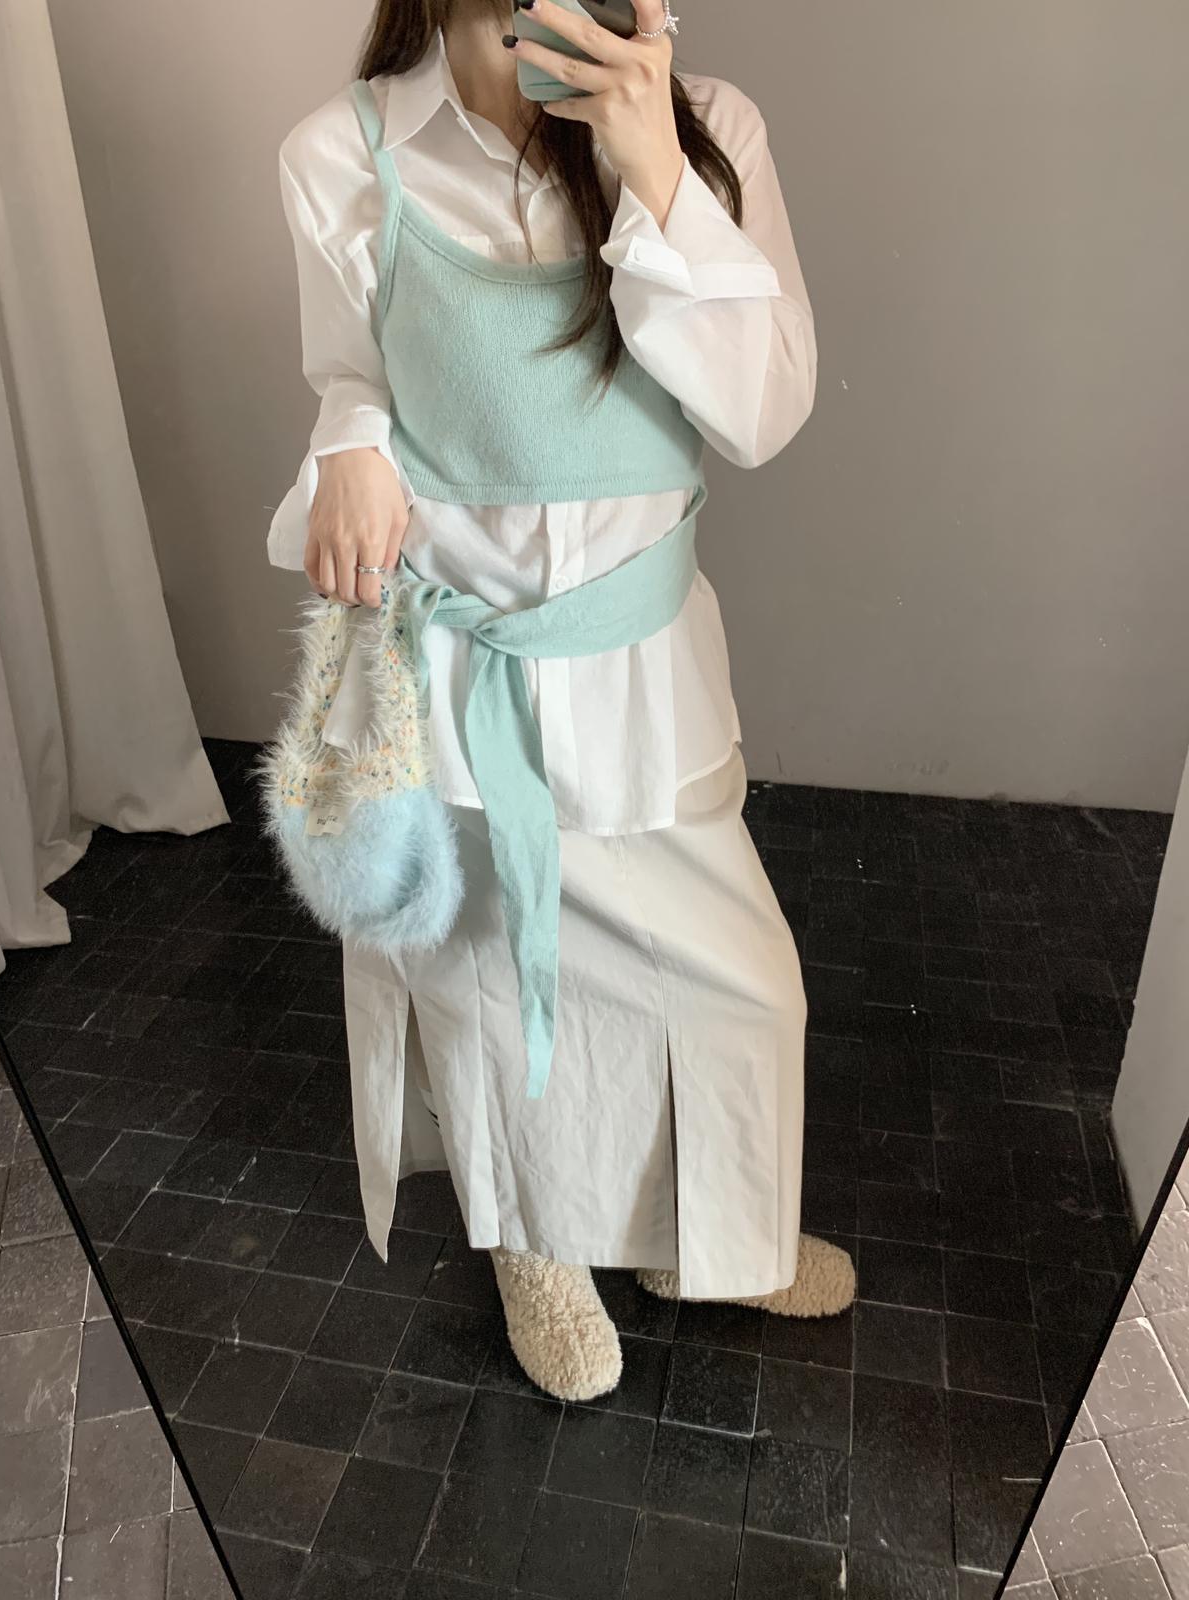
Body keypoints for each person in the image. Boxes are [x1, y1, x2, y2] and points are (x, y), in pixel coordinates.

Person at [267, 0, 855, 1402]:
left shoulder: (713, 130)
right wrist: (352, 441)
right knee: (489, 981)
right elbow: (351, 368)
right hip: (459, 674)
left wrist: (654, 167)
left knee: (735, 986)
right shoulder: (340, 153)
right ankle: (534, 1239)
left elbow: (762, 414)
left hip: (641, 668)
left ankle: (705, 1232)